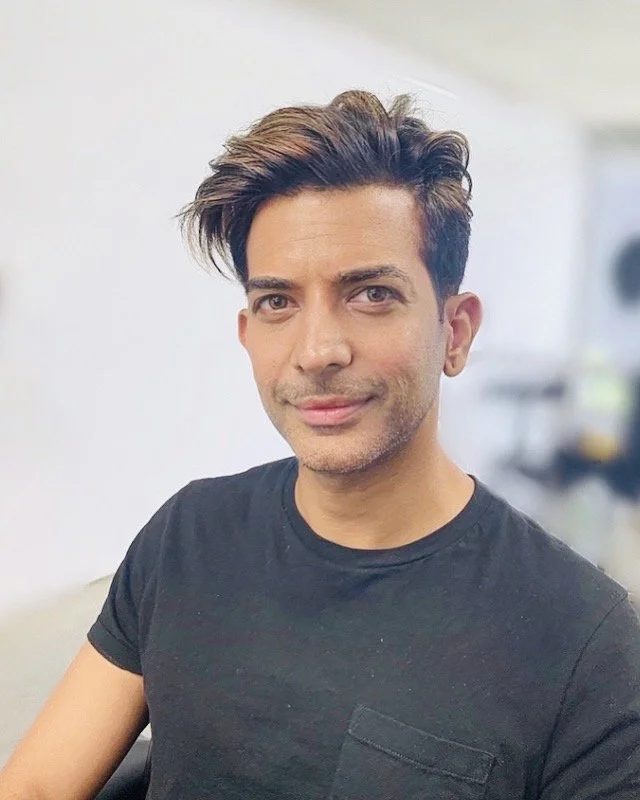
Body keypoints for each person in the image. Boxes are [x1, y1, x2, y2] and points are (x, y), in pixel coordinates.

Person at [1, 90, 639, 800]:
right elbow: (36, 786)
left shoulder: (588, 643)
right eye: (278, 302)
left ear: (454, 333)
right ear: (249, 337)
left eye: (370, 294)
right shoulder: (189, 535)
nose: (317, 351)